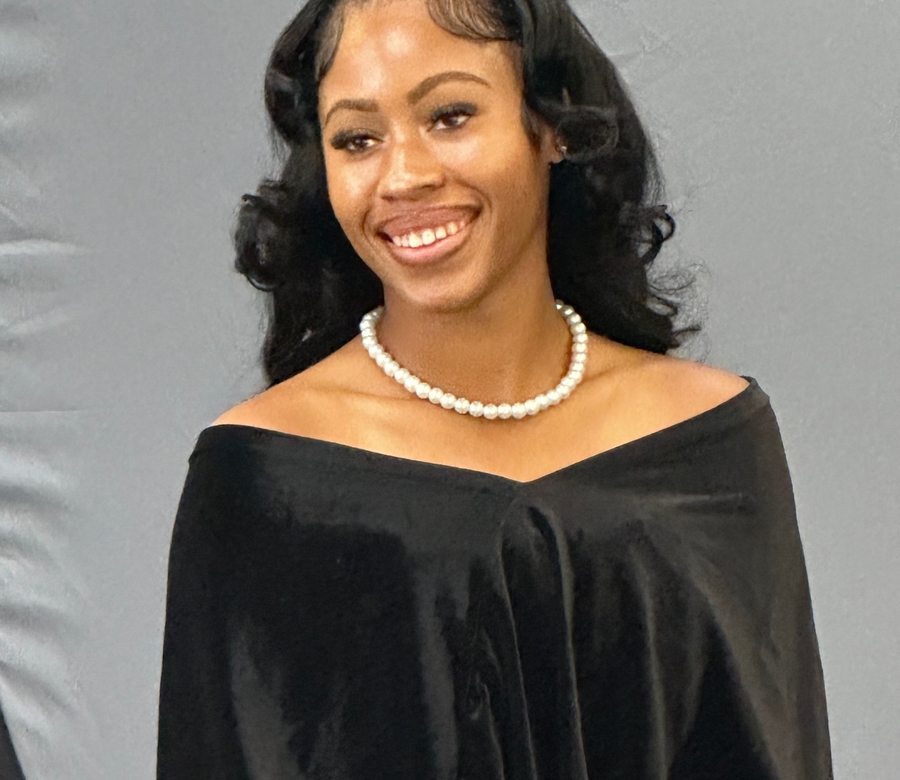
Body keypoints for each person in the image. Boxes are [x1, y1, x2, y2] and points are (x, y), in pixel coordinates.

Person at [156, 0, 833, 775]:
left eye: (449, 116)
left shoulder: (711, 447)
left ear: (554, 125)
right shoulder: (264, 480)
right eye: (357, 139)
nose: (404, 175)